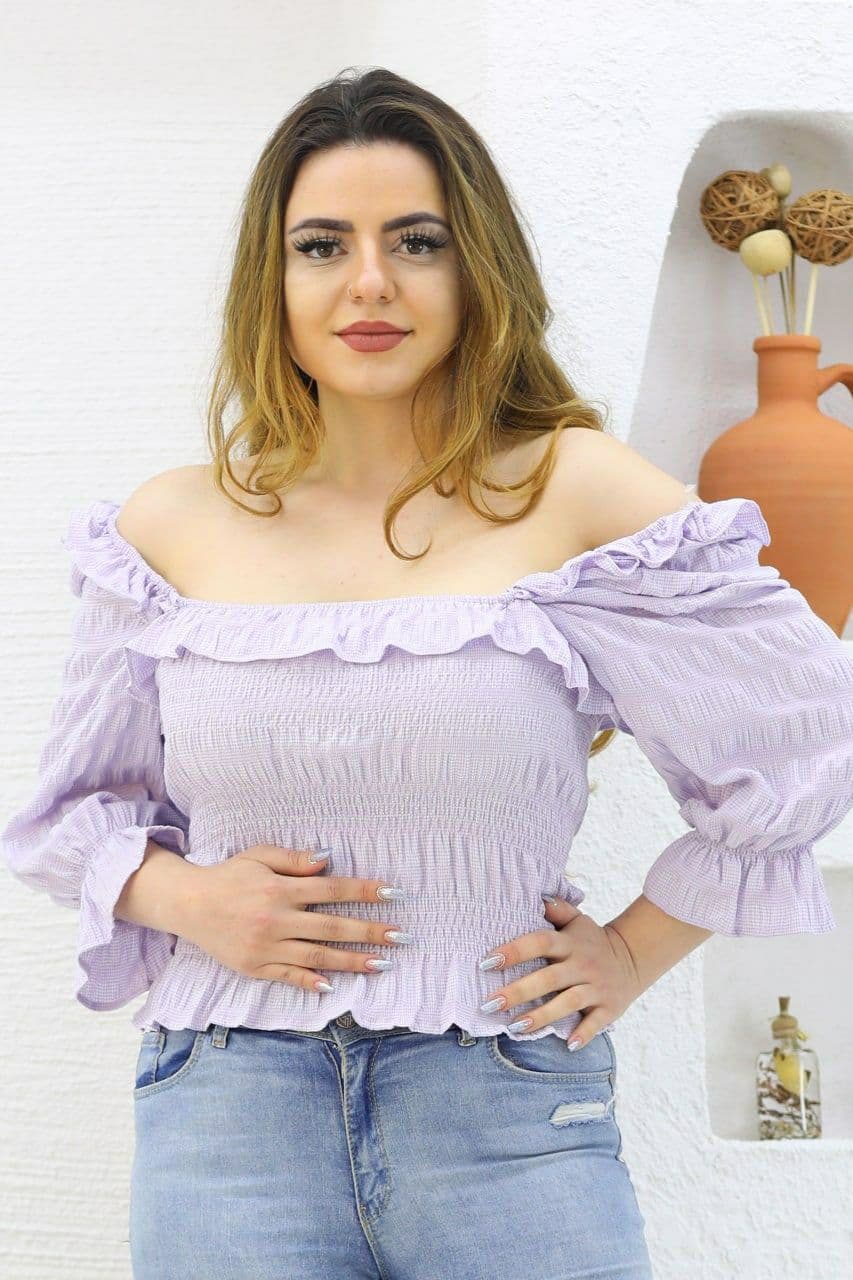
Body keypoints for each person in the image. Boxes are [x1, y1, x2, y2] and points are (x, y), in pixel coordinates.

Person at [3, 67, 851, 1280]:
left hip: (504, 1112)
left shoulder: (574, 489)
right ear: (270, 280)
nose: (369, 282)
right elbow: (64, 818)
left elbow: (807, 737)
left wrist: (632, 947)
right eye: (321, 245)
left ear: (476, 268)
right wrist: (192, 900)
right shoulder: (168, 528)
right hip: (226, 1117)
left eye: (416, 241)